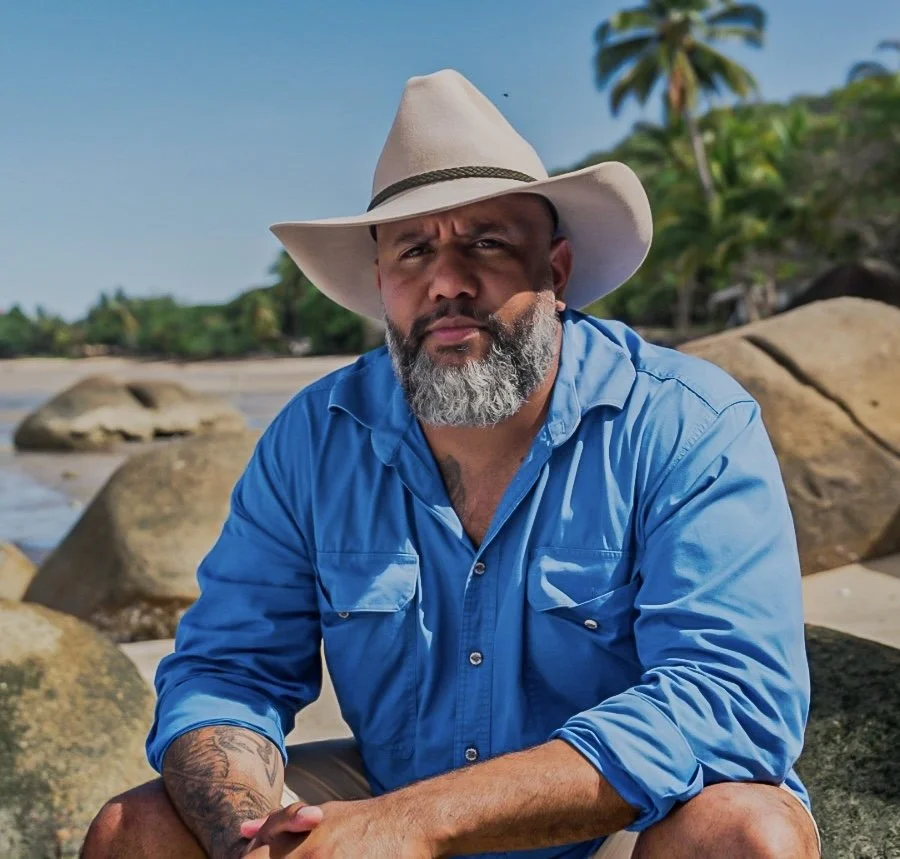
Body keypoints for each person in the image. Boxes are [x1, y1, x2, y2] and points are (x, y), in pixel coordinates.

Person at [83, 69, 820, 859]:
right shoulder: (313, 438)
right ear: (380, 282)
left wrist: (419, 821)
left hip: (616, 823)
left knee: (748, 832)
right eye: (413, 250)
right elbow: (227, 671)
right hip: (389, 800)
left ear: (558, 270)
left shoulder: (685, 423)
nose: (447, 281)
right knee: (140, 831)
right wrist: (245, 838)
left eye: (487, 242)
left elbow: (729, 697)